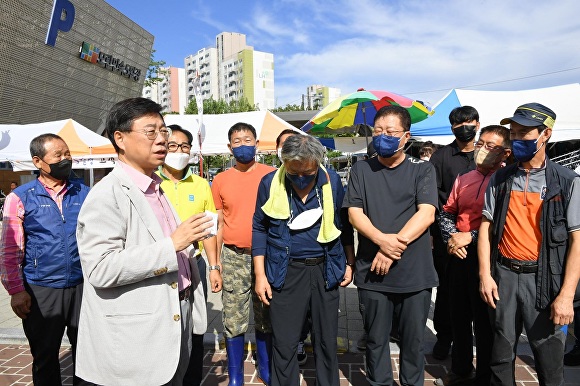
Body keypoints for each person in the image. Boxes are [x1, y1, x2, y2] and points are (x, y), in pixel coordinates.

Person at [75, 97, 211, 385]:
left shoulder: (156, 189)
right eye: (151, 132)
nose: (163, 139)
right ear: (120, 139)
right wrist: (172, 245)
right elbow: (100, 269)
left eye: (164, 131)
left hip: (177, 314)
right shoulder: (106, 194)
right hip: (140, 332)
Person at [478, 103, 580, 386]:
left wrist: (566, 296)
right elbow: (485, 228)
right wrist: (485, 275)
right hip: (504, 277)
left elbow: (577, 242)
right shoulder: (500, 179)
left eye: (524, 133)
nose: (517, 139)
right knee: (500, 355)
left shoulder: (567, 182)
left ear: (545, 134)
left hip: (545, 281)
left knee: (549, 359)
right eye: (513, 133)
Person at [343, 105, 439, 385]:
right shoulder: (361, 168)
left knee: (413, 341)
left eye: (390, 132)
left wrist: (392, 246)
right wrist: (382, 241)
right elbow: (354, 213)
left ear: (405, 137)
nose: (382, 136)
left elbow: (427, 213)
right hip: (372, 272)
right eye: (378, 131)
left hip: (414, 273)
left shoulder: (423, 169)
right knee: (375, 340)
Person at [253, 134, 354, 386]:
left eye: (307, 172)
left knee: (326, 340)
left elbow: (343, 226)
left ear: (317, 163)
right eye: (293, 171)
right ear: (284, 163)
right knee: (285, 341)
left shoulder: (332, 182)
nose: (300, 177)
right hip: (285, 271)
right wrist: (260, 275)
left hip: (325, 268)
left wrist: (349, 263)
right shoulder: (269, 183)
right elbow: (259, 227)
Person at [0, 133, 89, 385]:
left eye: (68, 153)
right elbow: (9, 250)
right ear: (38, 161)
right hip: (41, 290)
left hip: (82, 285)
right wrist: (17, 291)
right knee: (45, 356)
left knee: (88, 353)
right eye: (58, 155)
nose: (66, 159)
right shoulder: (20, 197)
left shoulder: (85, 193)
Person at [436, 125, 512, 386]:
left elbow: (505, 225)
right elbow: (447, 212)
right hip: (459, 257)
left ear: (506, 152)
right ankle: (460, 370)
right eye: (481, 144)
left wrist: (472, 236)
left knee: (485, 323)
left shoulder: (507, 181)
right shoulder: (464, 177)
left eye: (490, 146)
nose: (482, 149)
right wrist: (452, 240)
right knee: (458, 316)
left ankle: (485, 377)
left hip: (490, 261)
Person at [156, 124, 223, 386]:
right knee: (164, 326)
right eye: (173, 146)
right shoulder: (152, 182)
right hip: (160, 265)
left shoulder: (200, 184)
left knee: (195, 328)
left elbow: (210, 230)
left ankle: (191, 378)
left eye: (185, 146)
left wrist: (214, 266)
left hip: (193, 265)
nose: (179, 151)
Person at [211, 122, 275, 385]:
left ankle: (266, 368)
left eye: (247, 140)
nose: (243, 145)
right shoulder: (220, 180)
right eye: (237, 141)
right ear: (229, 147)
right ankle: (236, 374)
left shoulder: (273, 175)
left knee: (266, 313)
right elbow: (218, 224)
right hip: (233, 255)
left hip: (267, 256)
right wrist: (214, 264)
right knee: (233, 315)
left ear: (257, 144)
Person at [429, 106, 479, 359]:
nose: (464, 128)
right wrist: (448, 236)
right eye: (458, 124)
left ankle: (473, 337)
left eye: (469, 122)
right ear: (452, 128)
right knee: (447, 290)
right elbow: (434, 200)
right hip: (447, 237)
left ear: (477, 124)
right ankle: (444, 336)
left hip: (481, 237)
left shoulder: (488, 155)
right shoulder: (440, 157)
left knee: (479, 288)